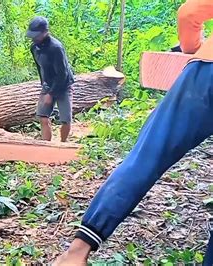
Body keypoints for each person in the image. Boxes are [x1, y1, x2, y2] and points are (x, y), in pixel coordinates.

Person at [54, 0, 213, 265]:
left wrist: (193, 49)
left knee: (147, 156)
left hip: (205, 71)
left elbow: (189, 13)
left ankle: (77, 251)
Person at [27, 16, 75, 142]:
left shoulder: (56, 48)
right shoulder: (34, 48)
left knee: (65, 119)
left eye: (36, 35)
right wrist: (44, 86)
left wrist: (51, 93)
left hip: (63, 85)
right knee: (42, 116)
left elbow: (62, 74)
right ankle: (46, 146)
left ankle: (63, 144)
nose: (34, 38)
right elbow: (40, 68)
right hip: (48, 85)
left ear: (45, 32)